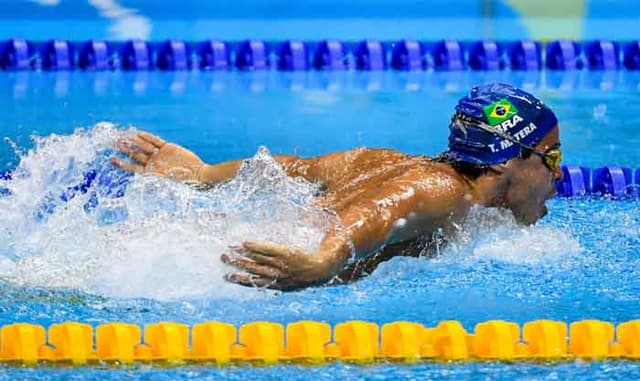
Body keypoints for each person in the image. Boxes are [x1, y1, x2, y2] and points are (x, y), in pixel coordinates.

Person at [112, 83, 563, 291]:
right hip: (259, 273)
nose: (559, 174)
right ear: (511, 160)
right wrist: (323, 262)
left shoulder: (383, 161)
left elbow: (290, 168)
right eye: (552, 157)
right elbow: (380, 212)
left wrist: (205, 174)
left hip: (221, 250)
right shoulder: (448, 193)